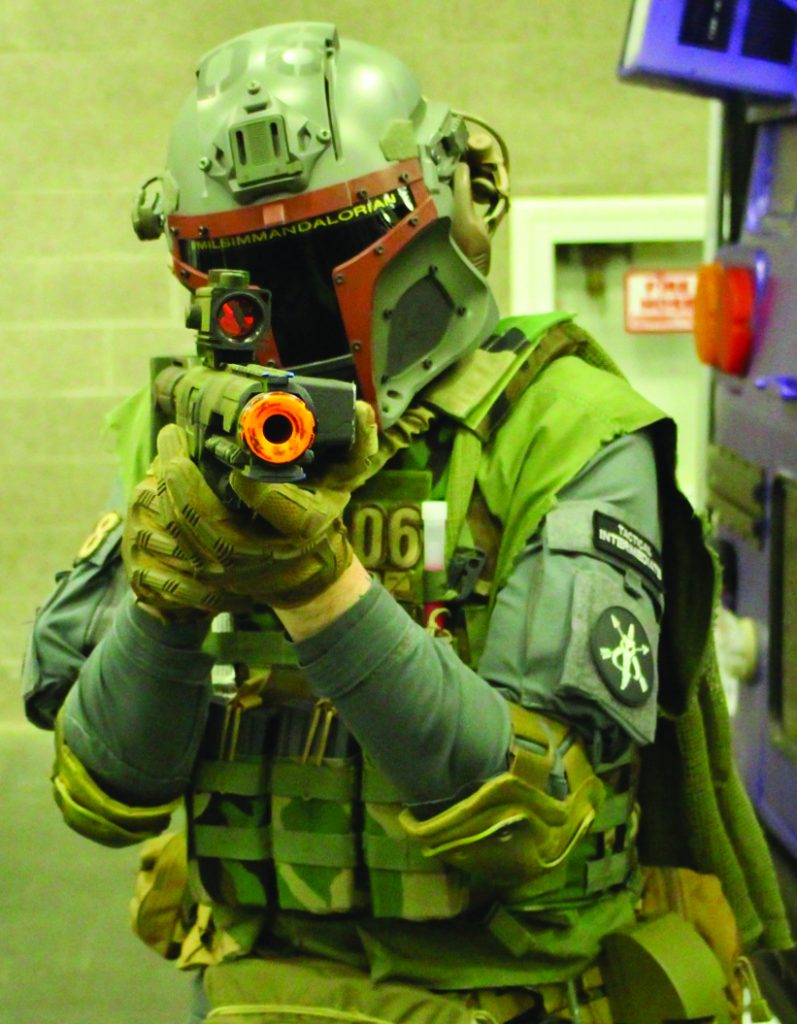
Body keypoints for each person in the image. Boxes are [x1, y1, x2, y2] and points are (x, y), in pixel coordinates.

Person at [23, 21, 791, 1024]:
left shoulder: (563, 430)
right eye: (249, 263)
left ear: (444, 219)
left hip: (513, 996)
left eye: (333, 247)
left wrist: (318, 590)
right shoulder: (181, 438)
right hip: (262, 993)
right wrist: (166, 607)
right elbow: (102, 793)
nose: (300, 300)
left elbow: (531, 815)